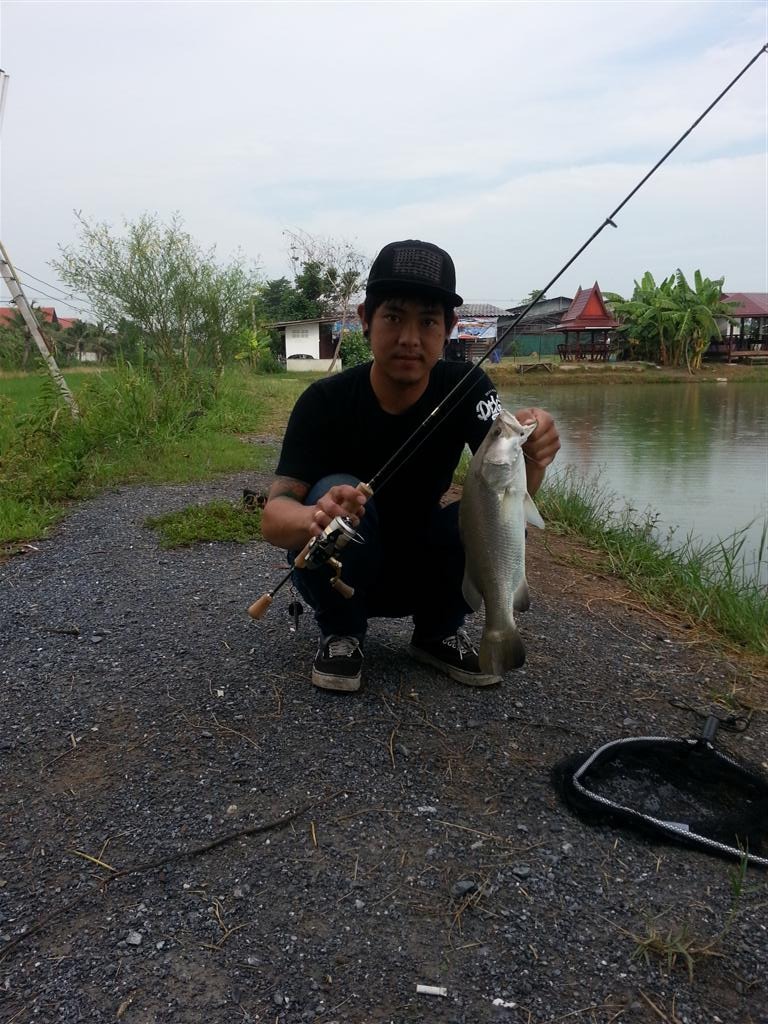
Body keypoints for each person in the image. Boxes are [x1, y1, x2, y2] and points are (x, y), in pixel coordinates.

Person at [261, 240, 560, 693]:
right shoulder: (322, 402)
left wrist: (535, 455)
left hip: (427, 571)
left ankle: (436, 631)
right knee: (338, 487)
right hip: (344, 575)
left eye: (428, 322)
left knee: (477, 511)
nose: (410, 338)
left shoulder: (468, 386)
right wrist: (313, 516)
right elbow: (273, 515)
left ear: (449, 328)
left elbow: (508, 500)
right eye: (394, 317)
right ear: (365, 319)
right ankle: (342, 633)